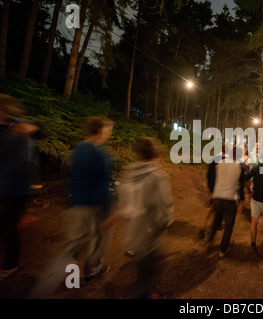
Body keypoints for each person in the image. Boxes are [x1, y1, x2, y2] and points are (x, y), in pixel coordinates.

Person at [29, 116, 114, 298]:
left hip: (77, 203)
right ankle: (50, 283)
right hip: (95, 205)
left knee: (77, 242)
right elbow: (103, 185)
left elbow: (71, 177)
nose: (108, 134)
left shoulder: (78, 149)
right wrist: (107, 213)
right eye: (107, 130)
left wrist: (70, 201)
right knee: (94, 240)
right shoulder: (100, 154)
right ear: (100, 131)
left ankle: (90, 270)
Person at [117, 137, 173, 299]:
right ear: (155, 153)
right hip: (149, 234)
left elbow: (123, 201)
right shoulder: (157, 176)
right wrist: (165, 223)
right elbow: (164, 205)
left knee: (143, 269)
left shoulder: (128, 172)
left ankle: (147, 294)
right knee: (149, 275)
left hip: (133, 232)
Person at [0, 94, 39, 281]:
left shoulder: (16, 127)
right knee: (9, 225)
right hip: (11, 186)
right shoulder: (10, 128)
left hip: (14, 187)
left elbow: (40, 130)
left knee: (9, 226)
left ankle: (11, 263)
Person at [205, 146, 245, 258]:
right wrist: (241, 201)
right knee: (228, 225)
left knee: (216, 220)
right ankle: (223, 249)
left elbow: (213, 179)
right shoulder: (239, 167)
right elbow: (241, 186)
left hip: (217, 197)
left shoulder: (220, 163)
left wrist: (211, 194)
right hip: (229, 199)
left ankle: (209, 240)